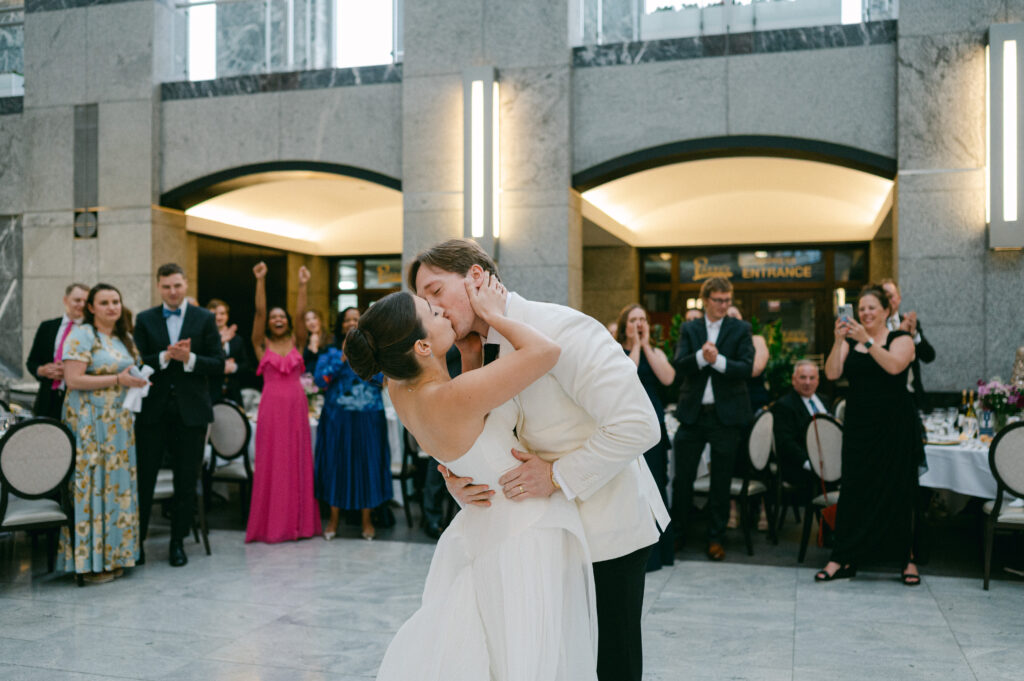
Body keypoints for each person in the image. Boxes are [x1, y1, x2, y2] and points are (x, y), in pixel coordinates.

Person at [412, 239, 666, 681]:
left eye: (435, 291)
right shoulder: (476, 349)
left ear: (475, 277)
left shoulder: (565, 329)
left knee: (609, 665)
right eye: (423, 300)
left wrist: (556, 475)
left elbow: (639, 424)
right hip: (543, 540)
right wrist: (460, 480)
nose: (432, 307)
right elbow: (490, 435)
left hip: (606, 529)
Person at [352, 278, 597, 681]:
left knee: (497, 653)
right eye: (431, 312)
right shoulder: (453, 397)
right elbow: (545, 351)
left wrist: (471, 357)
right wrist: (494, 314)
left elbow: (465, 433)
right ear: (422, 347)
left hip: (484, 526)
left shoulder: (398, 387)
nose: (442, 309)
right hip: (524, 533)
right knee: (528, 658)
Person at [817, 284, 921, 585]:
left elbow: (894, 366)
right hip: (860, 423)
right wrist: (839, 342)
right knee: (854, 488)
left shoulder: (901, 339)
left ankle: (907, 559)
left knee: (899, 489)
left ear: (886, 311)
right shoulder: (851, 340)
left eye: (871, 308)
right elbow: (833, 374)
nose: (865, 313)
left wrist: (868, 342)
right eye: (861, 309)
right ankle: (842, 556)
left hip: (894, 425)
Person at [57, 283, 148, 583]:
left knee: (117, 487)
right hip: (89, 421)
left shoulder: (125, 338)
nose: (112, 307)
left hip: (119, 425)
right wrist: (117, 379)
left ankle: (115, 555)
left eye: (116, 301)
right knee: (93, 485)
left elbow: (127, 373)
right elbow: (72, 379)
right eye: (105, 302)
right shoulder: (82, 335)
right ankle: (91, 562)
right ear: (91, 308)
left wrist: (137, 381)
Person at [135, 263, 224, 567]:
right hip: (153, 413)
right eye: (166, 286)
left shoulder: (205, 318)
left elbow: (218, 363)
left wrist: (190, 359)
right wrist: (163, 356)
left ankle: (177, 544)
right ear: (158, 287)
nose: (172, 291)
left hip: (192, 412)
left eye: (177, 285)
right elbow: (137, 361)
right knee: (144, 479)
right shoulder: (145, 319)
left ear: (186, 284)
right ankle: (137, 544)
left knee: (186, 481)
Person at [671, 277, 755, 562]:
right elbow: (679, 365)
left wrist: (717, 360)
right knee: (682, 479)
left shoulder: (740, 328)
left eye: (727, 300)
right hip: (693, 415)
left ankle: (715, 538)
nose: (723, 305)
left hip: (725, 417)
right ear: (705, 300)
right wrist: (700, 356)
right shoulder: (690, 328)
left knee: (721, 480)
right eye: (718, 300)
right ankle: (679, 533)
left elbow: (746, 367)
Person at [245, 261, 322, 543]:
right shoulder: (259, 344)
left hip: (295, 408)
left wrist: (303, 285)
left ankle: (299, 525)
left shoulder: (298, 341)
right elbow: (259, 311)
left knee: (296, 463)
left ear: (288, 322)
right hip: (271, 409)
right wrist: (260, 280)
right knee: (271, 464)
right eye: (273, 317)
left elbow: (302, 314)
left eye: (282, 317)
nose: (277, 319)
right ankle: (271, 525)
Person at [314, 306, 392, 541]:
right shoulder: (330, 353)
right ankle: (334, 519)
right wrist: (342, 358)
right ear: (340, 326)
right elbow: (320, 380)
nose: (351, 323)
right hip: (337, 418)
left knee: (367, 466)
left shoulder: (374, 353)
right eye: (347, 320)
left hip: (368, 416)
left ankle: (367, 519)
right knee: (336, 466)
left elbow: (383, 380)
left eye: (355, 319)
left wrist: (363, 357)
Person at [615, 304, 675, 572]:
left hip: (654, 424)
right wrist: (636, 345)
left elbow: (668, 378)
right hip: (627, 425)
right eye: (633, 320)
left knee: (657, 484)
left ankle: (661, 553)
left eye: (642, 320)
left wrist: (647, 345)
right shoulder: (616, 351)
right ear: (624, 324)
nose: (638, 324)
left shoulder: (656, 352)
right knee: (634, 486)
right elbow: (628, 373)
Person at [26, 283, 89, 420]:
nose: (82, 305)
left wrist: (70, 371)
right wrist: (41, 370)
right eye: (77, 300)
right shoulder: (47, 327)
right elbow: (32, 361)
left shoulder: (91, 330)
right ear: (65, 300)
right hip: (47, 399)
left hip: (78, 399)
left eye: (86, 301)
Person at [771, 360, 831, 502]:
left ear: (818, 380)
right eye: (802, 377)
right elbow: (785, 443)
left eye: (812, 378)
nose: (807, 382)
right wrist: (809, 463)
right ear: (793, 380)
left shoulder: (824, 400)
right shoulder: (784, 405)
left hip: (828, 460)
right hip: (800, 464)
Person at [879, 278, 936, 411]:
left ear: (899, 298)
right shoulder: (875, 327)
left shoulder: (910, 323)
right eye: (884, 297)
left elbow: (929, 356)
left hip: (912, 396)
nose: (888, 300)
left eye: (891, 296)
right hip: (884, 396)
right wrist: (900, 333)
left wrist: (914, 334)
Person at [206, 298, 251, 405]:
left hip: (233, 393)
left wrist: (234, 367)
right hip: (210, 393)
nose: (218, 317)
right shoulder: (204, 339)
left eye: (222, 313)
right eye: (214, 314)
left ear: (227, 316)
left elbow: (246, 364)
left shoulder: (237, 339)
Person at [302, 308, 326, 374]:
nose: (311, 322)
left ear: (320, 320)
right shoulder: (304, 342)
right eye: (307, 320)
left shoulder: (330, 339)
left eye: (314, 318)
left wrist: (314, 347)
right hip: (307, 381)